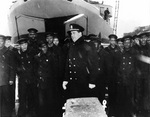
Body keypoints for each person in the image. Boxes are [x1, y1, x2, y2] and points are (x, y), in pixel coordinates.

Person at [62, 24, 99, 99]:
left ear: (80, 33)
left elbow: (94, 65)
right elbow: (68, 64)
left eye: (74, 33)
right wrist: (65, 79)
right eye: (71, 33)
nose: (72, 35)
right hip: (72, 82)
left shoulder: (87, 46)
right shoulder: (71, 46)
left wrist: (92, 81)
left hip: (84, 82)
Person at [116, 35, 137, 117]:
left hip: (131, 82)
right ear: (123, 43)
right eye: (125, 42)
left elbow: (136, 68)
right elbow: (117, 67)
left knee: (129, 102)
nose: (127, 44)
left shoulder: (134, 53)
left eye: (128, 42)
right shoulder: (120, 53)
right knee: (121, 100)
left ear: (131, 43)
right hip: (121, 82)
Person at [16, 38, 37, 117]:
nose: (24, 46)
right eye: (22, 45)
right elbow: (15, 66)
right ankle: (22, 113)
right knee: (22, 97)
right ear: (20, 46)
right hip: (22, 79)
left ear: (27, 45)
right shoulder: (17, 54)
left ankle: (32, 112)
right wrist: (19, 69)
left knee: (32, 96)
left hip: (32, 79)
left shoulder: (32, 53)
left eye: (25, 44)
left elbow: (35, 65)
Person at [0, 35, 16, 117]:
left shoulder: (9, 52)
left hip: (6, 80)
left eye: (1, 41)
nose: (0, 43)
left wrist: (11, 78)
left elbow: (12, 67)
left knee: (7, 99)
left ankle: (7, 114)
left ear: (4, 42)